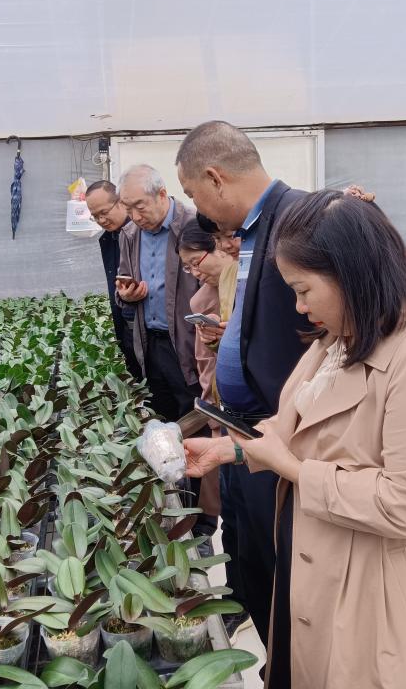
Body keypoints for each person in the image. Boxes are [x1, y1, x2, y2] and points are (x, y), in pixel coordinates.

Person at [184, 189, 406, 689]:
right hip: (314, 558)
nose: (299, 307)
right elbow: (298, 428)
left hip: (379, 580)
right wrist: (231, 449)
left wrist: (293, 469)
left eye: (303, 290)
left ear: (351, 274)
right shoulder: (336, 340)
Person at [175, 121, 310, 646]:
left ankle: (287, 658)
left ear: (215, 177)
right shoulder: (252, 234)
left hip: (281, 433)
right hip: (244, 431)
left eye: (193, 193)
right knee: (250, 554)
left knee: (282, 568)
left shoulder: (296, 223)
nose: (199, 209)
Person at [176, 222, 243, 607]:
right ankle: (238, 593)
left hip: (251, 412)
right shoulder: (203, 299)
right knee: (233, 508)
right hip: (223, 408)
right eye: (186, 267)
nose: (194, 272)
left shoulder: (245, 286)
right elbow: (206, 363)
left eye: (195, 262)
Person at [114, 164, 201, 421]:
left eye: (140, 206)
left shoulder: (193, 224)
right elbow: (122, 279)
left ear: (161, 194)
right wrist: (126, 296)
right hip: (149, 342)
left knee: (194, 413)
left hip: (188, 342)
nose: (134, 216)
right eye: (127, 208)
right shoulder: (129, 234)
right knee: (161, 411)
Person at [85, 180, 143, 379]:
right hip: (126, 321)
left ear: (121, 202)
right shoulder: (109, 239)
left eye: (104, 212)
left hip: (147, 326)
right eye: (95, 216)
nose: (101, 220)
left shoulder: (141, 233)